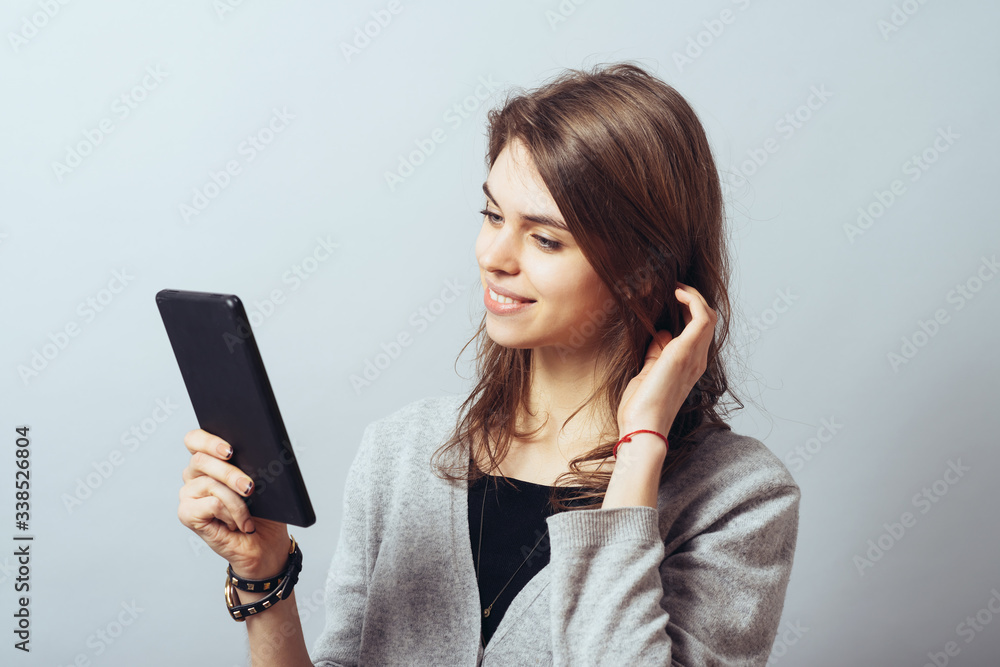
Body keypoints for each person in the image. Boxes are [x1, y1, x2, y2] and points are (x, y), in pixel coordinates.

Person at [178, 61, 801, 666]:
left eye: (545, 237)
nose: (495, 256)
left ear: (643, 274)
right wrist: (265, 580)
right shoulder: (400, 453)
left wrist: (639, 447)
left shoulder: (739, 497)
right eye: (492, 215)